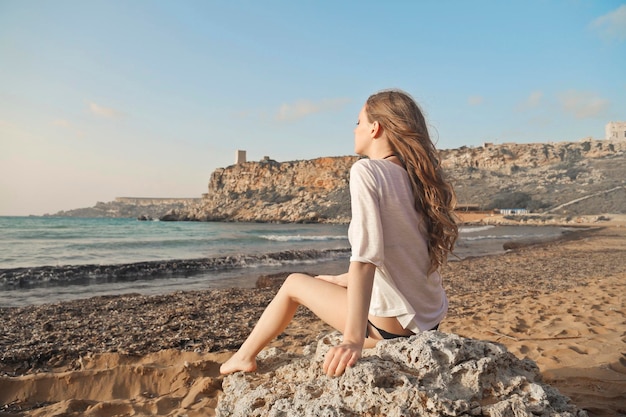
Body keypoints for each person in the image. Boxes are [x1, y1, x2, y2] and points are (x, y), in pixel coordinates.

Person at [220, 89, 458, 377]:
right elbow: (402, 257)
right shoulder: (417, 180)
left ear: (375, 127)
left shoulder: (367, 171)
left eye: (358, 121)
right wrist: (339, 280)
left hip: (393, 327)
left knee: (294, 283)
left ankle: (243, 357)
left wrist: (352, 340)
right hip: (428, 320)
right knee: (322, 283)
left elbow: (366, 258)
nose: (354, 129)